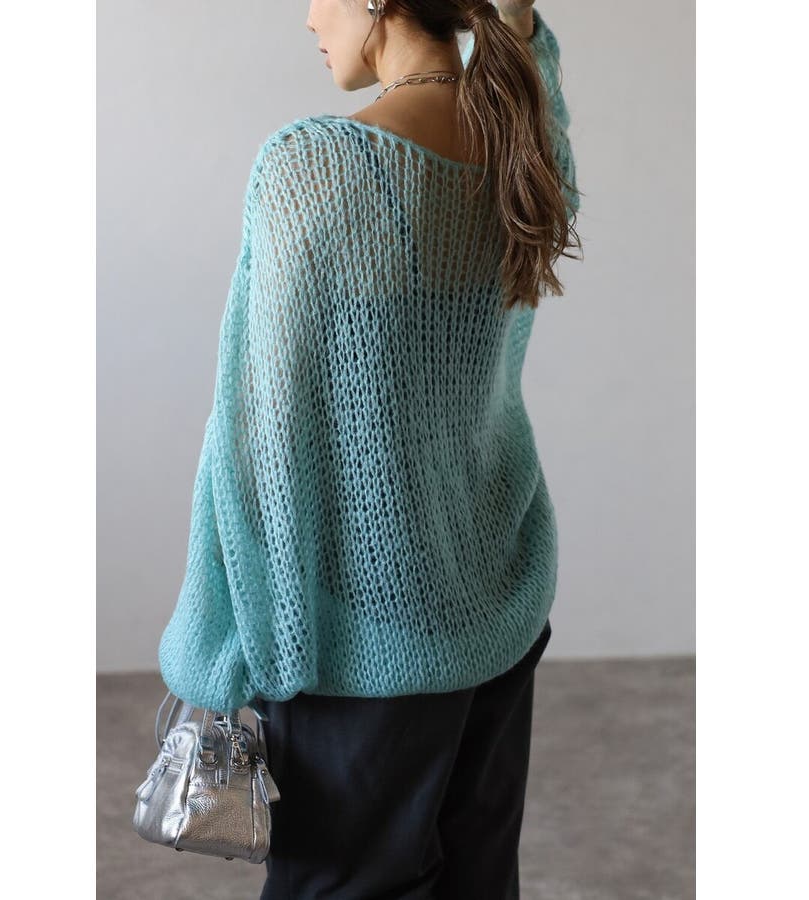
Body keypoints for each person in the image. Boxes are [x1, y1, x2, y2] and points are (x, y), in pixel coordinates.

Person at [157, 1, 582, 896]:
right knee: (476, 880)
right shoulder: (522, 141)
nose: (309, 17)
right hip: (496, 595)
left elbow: (260, 438)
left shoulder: (316, 164)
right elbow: (532, 76)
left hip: (363, 640)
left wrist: (221, 650)